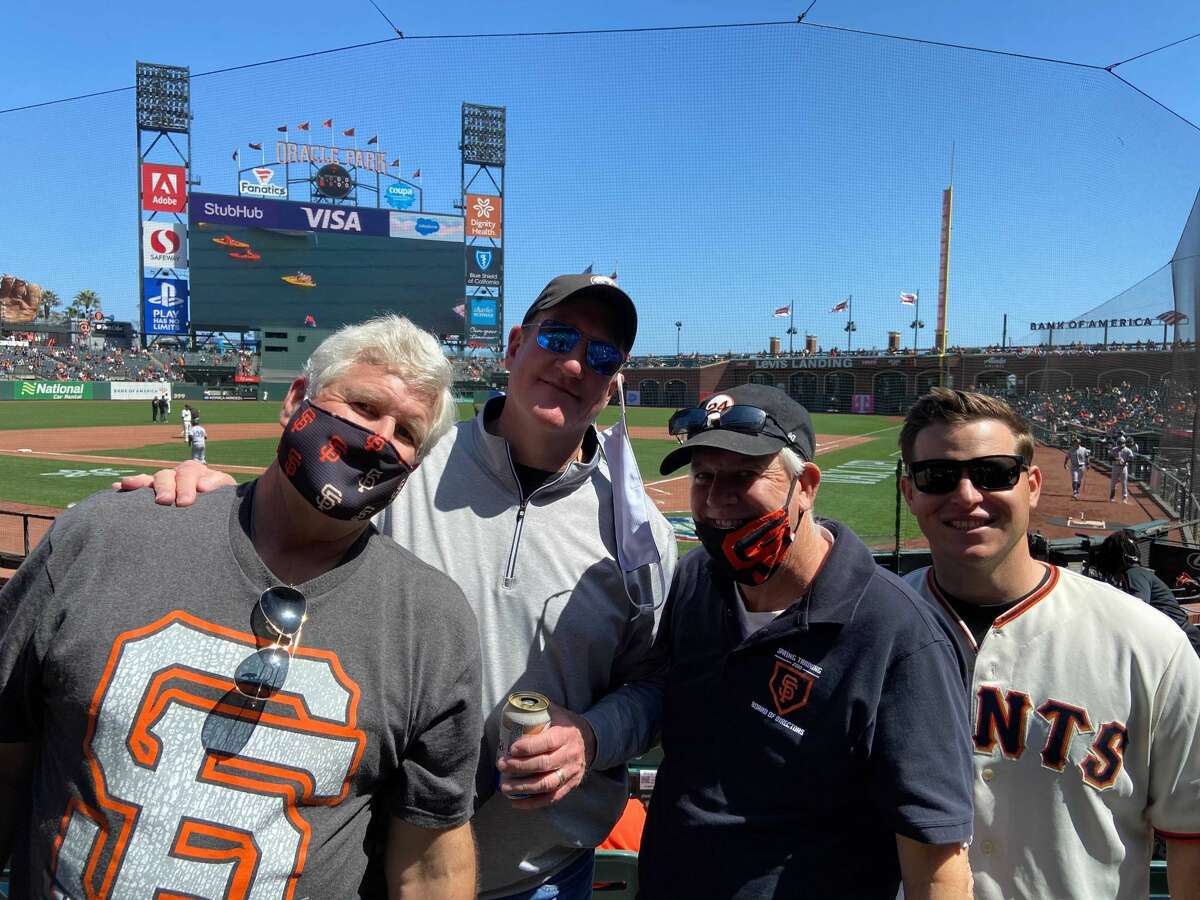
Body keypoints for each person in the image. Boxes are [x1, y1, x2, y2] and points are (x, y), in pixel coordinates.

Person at [118, 274, 677, 899]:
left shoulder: (639, 531)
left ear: (614, 379)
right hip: (366, 856)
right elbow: (294, 526)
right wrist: (215, 502)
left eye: (602, 356)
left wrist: (593, 737)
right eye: (560, 335)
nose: (575, 362)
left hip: (541, 871)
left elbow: (654, 682)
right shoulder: (405, 457)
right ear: (516, 344)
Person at [0, 315, 482, 897]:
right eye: (362, 404)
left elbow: (429, 865)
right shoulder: (103, 535)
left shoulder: (432, 621)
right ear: (297, 400)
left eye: (407, 431)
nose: (378, 438)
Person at [639, 384, 975, 899]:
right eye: (703, 476)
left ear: (807, 486)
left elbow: (936, 860)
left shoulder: (898, 634)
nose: (717, 500)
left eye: (745, 475)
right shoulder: (694, 582)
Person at [899, 388, 1200, 900]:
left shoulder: (1148, 644)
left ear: (1032, 484)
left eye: (994, 473)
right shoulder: (869, 629)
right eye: (938, 476)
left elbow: (1191, 837)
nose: (967, 495)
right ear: (910, 493)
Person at [1091, 530, 1200, 657]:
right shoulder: (1137, 573)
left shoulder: (1134, 574)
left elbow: (1138, 608)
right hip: (1177, 640)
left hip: (1185, 642)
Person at [1108, 434, 1134, 503]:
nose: (1120, 444)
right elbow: (1109, 457)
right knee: (1113, 482)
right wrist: (1115, 458)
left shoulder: (1128, 450)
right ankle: (1112, 497)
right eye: (1119, 442)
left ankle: (1124, 498)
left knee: (1124, 483)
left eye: (1122, 443)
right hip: (1115, 467)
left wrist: (1125, 461)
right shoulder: (1114, 449)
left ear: (1124, 443)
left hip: (1123, 468)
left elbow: (1131, 459)